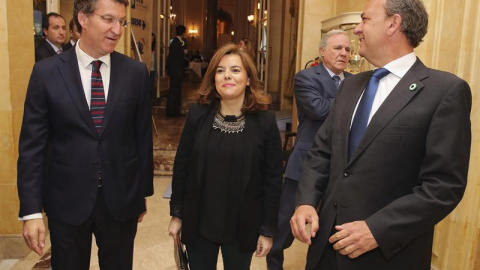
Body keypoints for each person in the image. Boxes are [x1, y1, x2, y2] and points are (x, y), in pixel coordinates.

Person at [290, 0, 472, 269]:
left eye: (365, 20)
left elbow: (443, 186)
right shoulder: (350, 86)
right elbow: (322, 153)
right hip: (325, 251)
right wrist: (306, 202)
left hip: (387, 255)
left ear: (393, 24)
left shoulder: (444, 91)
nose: (357, 29)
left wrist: (378, 229)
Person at [17, 0, 154, 269]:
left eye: (122, 22)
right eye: (108, 19)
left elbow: (142, 138)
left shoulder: (135, 73)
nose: (117, 29)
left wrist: (141, 195)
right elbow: (32, 147)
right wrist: (31, 211)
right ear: (83, 18)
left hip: (120, 199)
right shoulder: (46, 73)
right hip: (66, 199)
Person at [168, 43, 283, 270]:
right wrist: (177, 214)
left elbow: (272, 180)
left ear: (249, 79)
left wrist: (267, 230)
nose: (227, 76)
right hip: (199, 222)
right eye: (220, 71)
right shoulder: (198, 114)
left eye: (235, 70)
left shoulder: (265, 122)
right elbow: (182, 166)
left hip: (243, 226)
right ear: (213, 79)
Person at [266, 29, 352, 270]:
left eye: (347, 49)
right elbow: (317, 110)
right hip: (305, 164)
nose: (343, 53)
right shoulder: (306, 77)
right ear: (323, 51)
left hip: (341, 166)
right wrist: (351, 103)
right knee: (285, 225)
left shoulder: (355, 81)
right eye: (338, 48)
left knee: (330, 227)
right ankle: (274, 264)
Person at [166, 24, 187, 117]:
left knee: (177, 91)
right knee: (174, 91)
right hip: (176, 71)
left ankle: (175, 110)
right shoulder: (176, 43)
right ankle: (170, 111)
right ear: (183, 33)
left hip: (176, 71)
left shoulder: (176, 42)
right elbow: (172, 58)